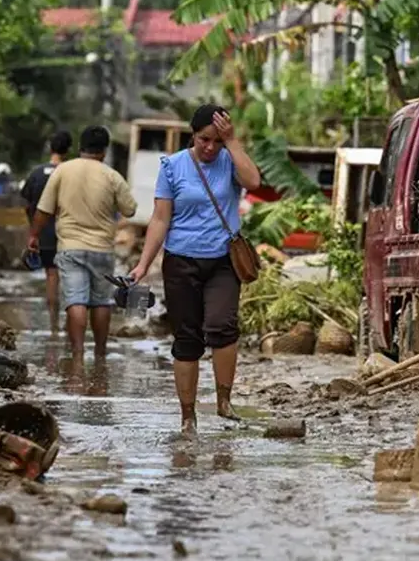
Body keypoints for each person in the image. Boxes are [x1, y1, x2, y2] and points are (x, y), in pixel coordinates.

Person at [128, 105, 261, 434]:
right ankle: (188, 416)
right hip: (181, 261)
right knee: (187, 339)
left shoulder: (230, 160)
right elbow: (160, 218)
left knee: (222, 326)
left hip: (222, 261)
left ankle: (224, 401)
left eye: (217, 141)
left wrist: (233, 142)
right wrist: (144, 264)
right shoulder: (172, 166)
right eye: (204, 139)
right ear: (193, 135)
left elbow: (254, 182)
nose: (210, 147)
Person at [28, 126, 137, 357]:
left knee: (75, 300)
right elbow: (130, 209)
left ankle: (77, 352)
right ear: (104, 151)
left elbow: (43, 210)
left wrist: (34, 236)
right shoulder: (112, 175)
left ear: (79, 148)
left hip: (70, 247)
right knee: (101, 302)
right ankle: (100, 352)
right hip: (102, 249)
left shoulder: (62, 171)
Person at [20, 131, 71, 333]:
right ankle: (70, 323)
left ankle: (53, 325)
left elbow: (26, 203)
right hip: (69, 233)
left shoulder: (37, 173)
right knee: (70, 277)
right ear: (68, 150)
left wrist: (33, 230)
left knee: (51, 275)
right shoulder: (70, 172)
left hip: (44, 234)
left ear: (51, 148)